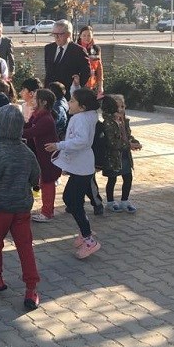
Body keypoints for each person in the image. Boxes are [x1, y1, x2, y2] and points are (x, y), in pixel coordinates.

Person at [0, 104, 42, 310]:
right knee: (25, 246)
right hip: (21, 208)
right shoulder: (26, 152)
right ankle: (31, 289)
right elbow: (35, 178)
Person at [45, 88, 102, 259]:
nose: (69, 103)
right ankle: (84, 229)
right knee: (70, 199)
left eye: (72, 101)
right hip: (81, 166)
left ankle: (89, 240)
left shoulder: (80, 118)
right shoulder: (87, 115)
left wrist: (59, 145)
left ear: (82, 106)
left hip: (82, 167)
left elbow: (81, 141)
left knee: (73, 201)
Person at [25, 89, 62, 223]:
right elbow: (27, 126)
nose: (32, 100)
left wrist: (14, 131)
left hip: (48, 157)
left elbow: (30, 132)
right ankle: (45, 209)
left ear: (44, 102)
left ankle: (47, 212)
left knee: (47, 183)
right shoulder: (37, 115)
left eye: (35, 98)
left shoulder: (46, 119)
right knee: (43, 182)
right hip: (41, 156)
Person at [101, 94, 142, 213]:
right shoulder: (108, 123)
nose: (120, 109)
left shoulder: (124, 121)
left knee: (128, 177)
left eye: (122, 106)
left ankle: (124, 201)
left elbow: (127, 135)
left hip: (125, 155)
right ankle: (110, 202)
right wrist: (129, 145)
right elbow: (112, 143)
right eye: (117, 107)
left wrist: (133, 141)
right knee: (112, 179)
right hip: (113, 157)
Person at [44, 20, 91, 99]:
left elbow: (86, 72)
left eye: (60, 34)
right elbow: (48, 71)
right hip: (50, 94)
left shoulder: (78, 50)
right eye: (54, 34)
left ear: (68, 34)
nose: (56, 37)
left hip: (68, 95)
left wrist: (77, 85)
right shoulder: (49, 48)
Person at [77, 25, 104, 97]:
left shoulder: (96, 49)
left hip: (93, 84)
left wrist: (100, 85)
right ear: (80, 36)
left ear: (92, 36)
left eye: (89, 35)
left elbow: (99, 68)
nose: (87, 37)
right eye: (84, 35)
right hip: (79, 84)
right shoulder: (75, 48)